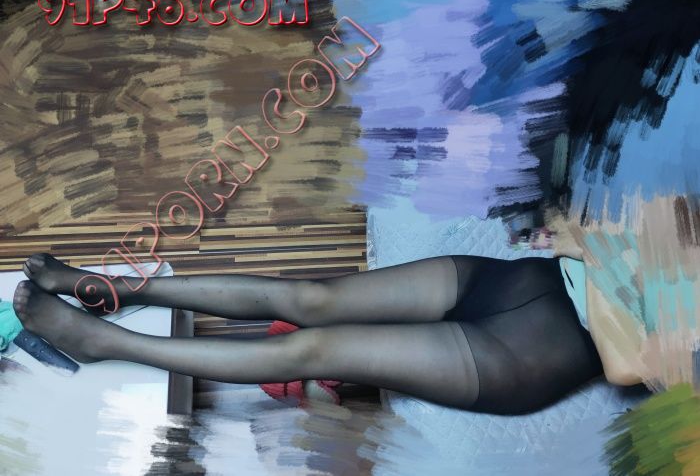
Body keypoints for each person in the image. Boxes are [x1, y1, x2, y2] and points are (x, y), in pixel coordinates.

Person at [12, 252, 639, 415]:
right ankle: (114, 288)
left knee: (313, 348)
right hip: (526, 278)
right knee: (311, 298)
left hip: (529, 354)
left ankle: (103, 343)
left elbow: (630, 368)